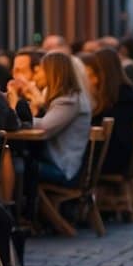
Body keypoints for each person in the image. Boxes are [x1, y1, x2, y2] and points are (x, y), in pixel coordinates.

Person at [29, 51, 92, 185]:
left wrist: (15, 118)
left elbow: (44, 127)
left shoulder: (69, 100)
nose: (37, 74)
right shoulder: (68, 97)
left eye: (41, 69)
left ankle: (26, 206)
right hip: (59, 163)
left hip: (63, 169)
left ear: (52, 72)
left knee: (18, 167)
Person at [86, 48, 133, 176]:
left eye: (92, 74)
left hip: (113, 159)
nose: (90, 79)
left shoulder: (120, 97)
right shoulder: (122, 92)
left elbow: (101, 129)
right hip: (118, 155)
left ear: (102, 73)